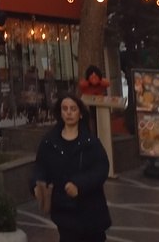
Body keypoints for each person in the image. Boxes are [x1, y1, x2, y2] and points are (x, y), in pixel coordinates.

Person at [31, 92, 111, 242]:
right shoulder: (49, 142)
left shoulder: (90, 142)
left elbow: (101, 169)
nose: (69, 113)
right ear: (60, 113)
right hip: (64, 211)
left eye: (73, 109)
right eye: (65, 109)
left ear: (80, 113)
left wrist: (79, 185)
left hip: (91, 212)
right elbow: (40, 166)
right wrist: (37, 184)